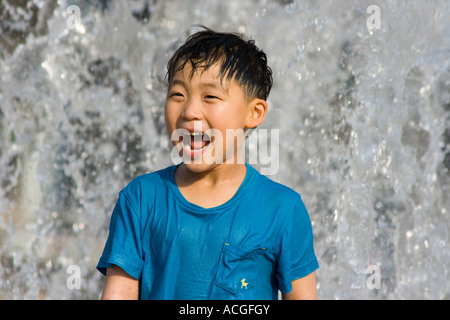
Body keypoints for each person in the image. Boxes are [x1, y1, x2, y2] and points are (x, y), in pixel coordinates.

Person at [97, 26, 319, 300]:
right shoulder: (141, 199)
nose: (189, 111)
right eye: (177, 95)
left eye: (210, 97)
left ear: (254, 112)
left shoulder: (282, 208)